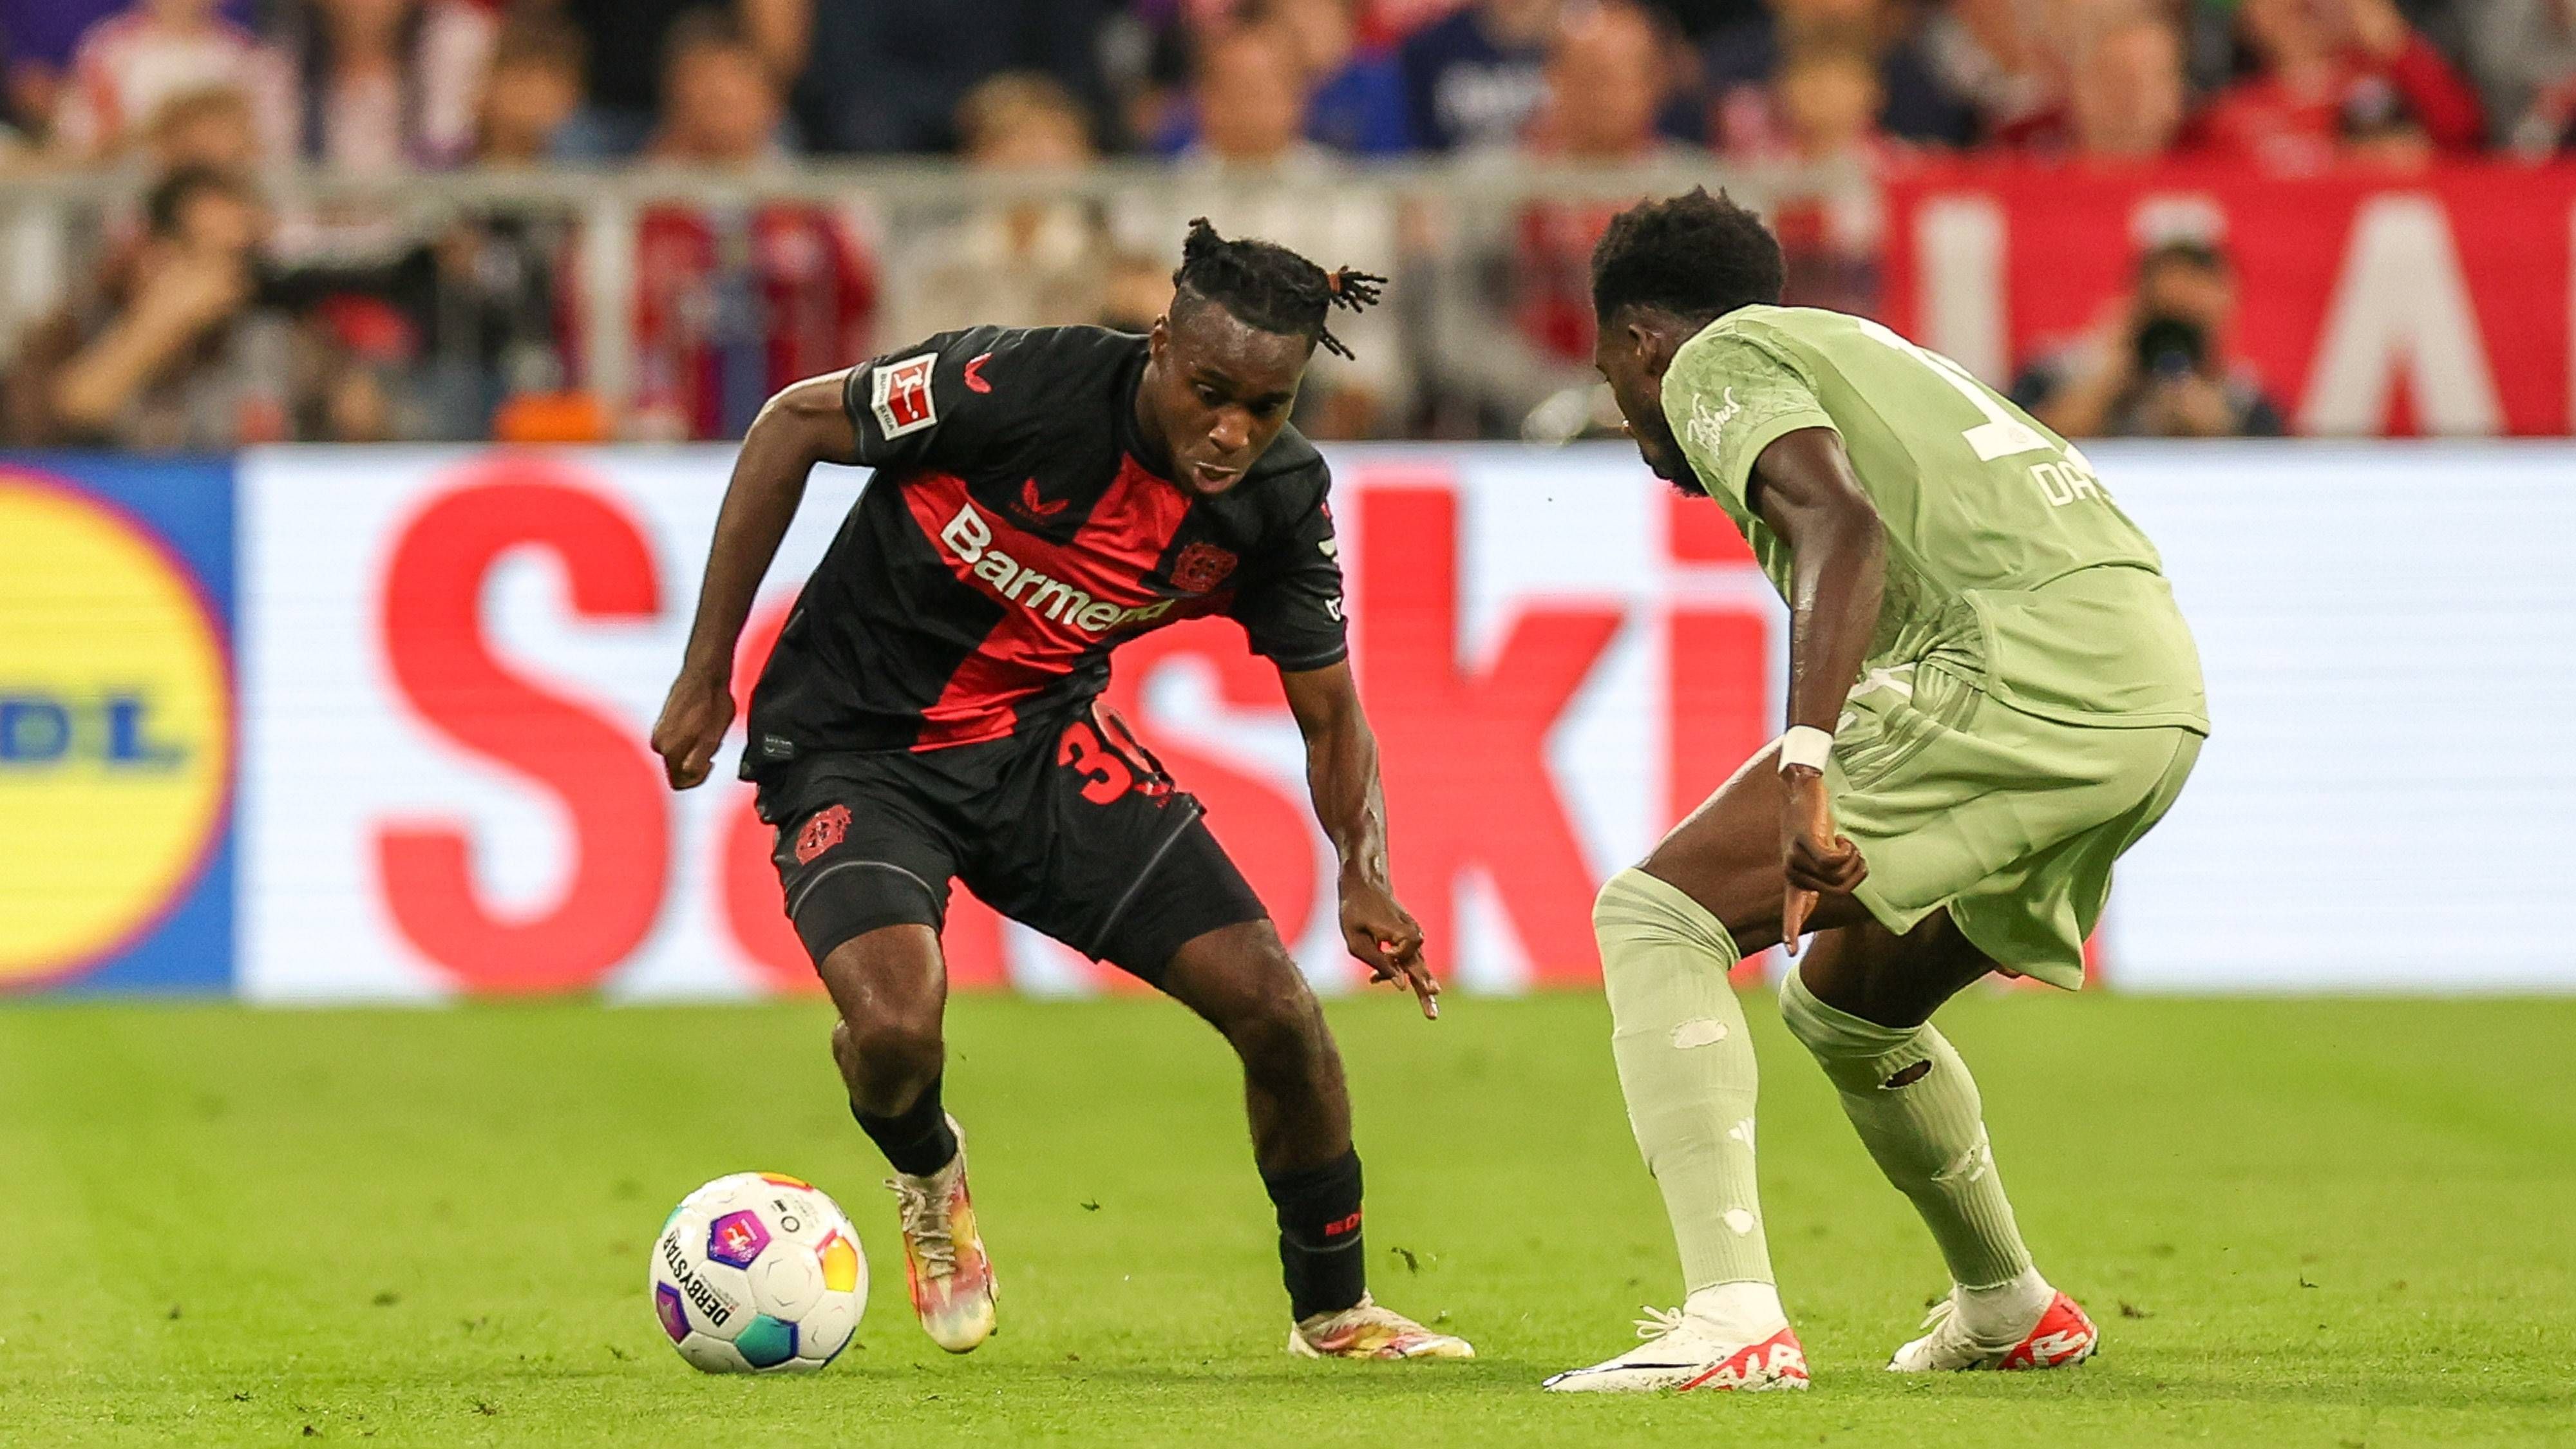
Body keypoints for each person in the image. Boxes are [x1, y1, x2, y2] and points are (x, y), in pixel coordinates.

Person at [647, 220, 1475, 1363]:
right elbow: (792, 423)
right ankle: (929, 1173)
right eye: (1210, 391)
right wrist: (707, 676)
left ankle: (1333, 1314)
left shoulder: (1278, 500)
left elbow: (1330, 709)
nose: (1232, 430)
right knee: (892, 1027)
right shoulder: (1010, 383)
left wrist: (1364, 872)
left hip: (1038, 752)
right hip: (851, 746)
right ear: (1158, 346)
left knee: (1278, 1010)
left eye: (1267, 407)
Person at [1550, 188, 2207, 1392]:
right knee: (1849, 1005)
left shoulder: (1713, 358)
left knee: (1656, 914)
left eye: (1610, 370)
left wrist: (1810, 765)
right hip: (2151, 696)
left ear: (1640, 339)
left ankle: (1731, 1320)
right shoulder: (1871, 352)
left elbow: (1838, 524)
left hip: (2019, 676)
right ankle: (2009, 1303)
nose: (1629, 408)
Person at [2011, 238, 2287, 440]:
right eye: (2164, 316)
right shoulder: (2058, 372)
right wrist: (2109, 380)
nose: (2174, 340)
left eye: (2190, 324)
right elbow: (2020, 450)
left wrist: (2219, 433)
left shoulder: (2245, 400)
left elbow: (2271, 476)